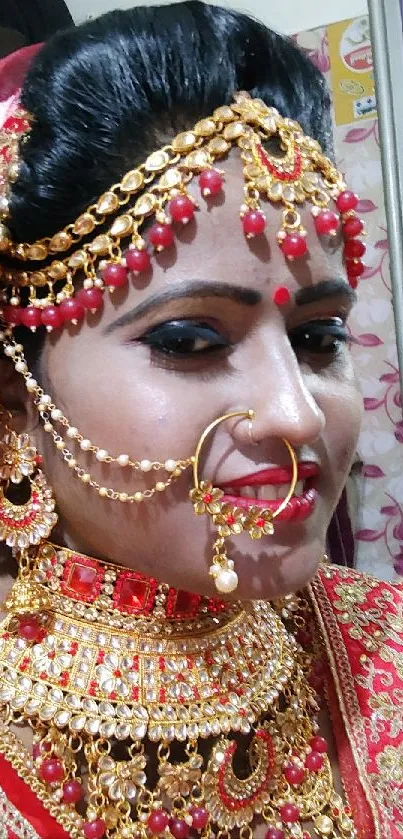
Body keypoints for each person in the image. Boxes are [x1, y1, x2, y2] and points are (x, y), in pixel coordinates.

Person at [0, 3, 401, 837]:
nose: (296, 414)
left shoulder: (385, 647)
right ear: (15, 393)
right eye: (188, 340)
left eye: (318, 338)